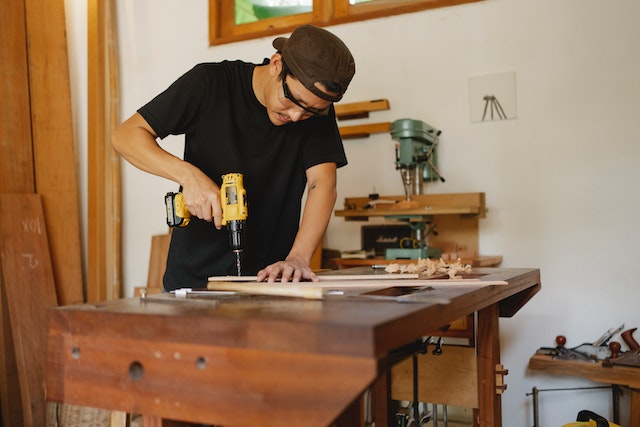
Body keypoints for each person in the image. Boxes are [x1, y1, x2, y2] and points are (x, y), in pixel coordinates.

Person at [112, 25, 355, 291]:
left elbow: (322, 184)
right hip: (194, 282)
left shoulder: (315, 109)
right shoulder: (210, 83)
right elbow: (126, 136)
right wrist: (188, 176)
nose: (296, 116)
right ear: (276, 64)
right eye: (292, 100)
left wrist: (298, 257)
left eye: (310, 112)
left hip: (269, 281)